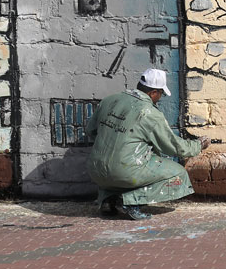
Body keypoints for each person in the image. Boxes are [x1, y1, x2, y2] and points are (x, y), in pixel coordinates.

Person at [86, 69, 209, 220]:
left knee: (119, 166)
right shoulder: (149, 113)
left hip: (95, 170)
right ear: (153, 93)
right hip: (124, 172)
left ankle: (107, 199)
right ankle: (130, 202)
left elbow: (91, 131)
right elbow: (174, 147)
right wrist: (198, 145)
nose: (160, 98)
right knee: (179, 174)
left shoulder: (109, 100)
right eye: (161, 94)